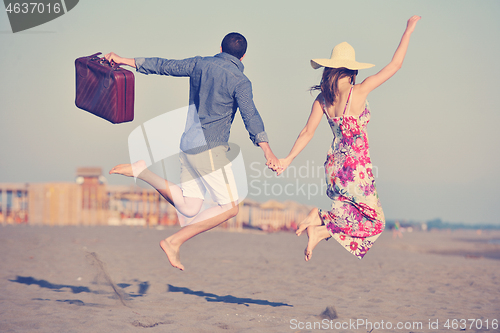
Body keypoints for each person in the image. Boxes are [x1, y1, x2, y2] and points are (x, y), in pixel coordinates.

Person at [105, 32, 280, 270]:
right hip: (209, 149)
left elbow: (164, 66)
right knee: (230, 208)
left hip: (187, 145)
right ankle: (174, 241)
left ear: (220, 47)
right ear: (244, 55)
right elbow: (251, 116)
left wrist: (123, 60)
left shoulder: (200, 63)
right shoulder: (241, 81)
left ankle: (142, 172)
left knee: (189, 207)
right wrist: (267, 151)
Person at [277, 16, 421, 261]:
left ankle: (320, 231)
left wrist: (287, 159)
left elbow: (307, 132)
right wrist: (408, 31)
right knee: (374, 222)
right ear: (352, 70)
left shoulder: (323, 99)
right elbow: (395, 66)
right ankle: (320, 218)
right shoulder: (359, 90)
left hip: (335, 165)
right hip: (356, 167)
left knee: (352, 215)